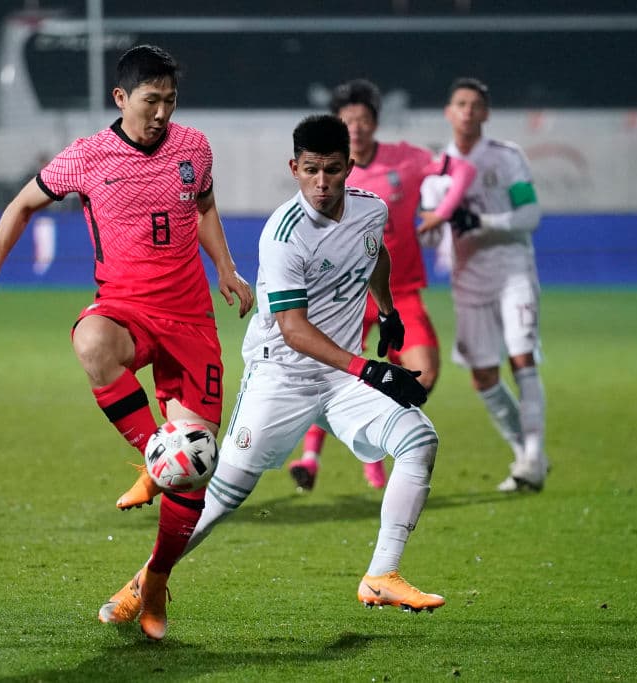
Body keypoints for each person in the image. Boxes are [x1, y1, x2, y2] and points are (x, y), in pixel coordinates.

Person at [98, 114, 445, 640]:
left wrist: (387, 309)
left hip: (340, 377)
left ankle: (381, 575)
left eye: (332, 170)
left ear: (349, 166)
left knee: (420, 438)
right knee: (221, 495)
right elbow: (293, 329)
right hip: (280, 376)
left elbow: (375, 253)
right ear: (294, 168)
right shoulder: (285, 234)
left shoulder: (371, 210)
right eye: (311, 171)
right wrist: (373, 370)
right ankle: (140, 583)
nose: (322, 183)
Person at [0, 44, 254, 638]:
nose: (162, 111)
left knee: (195, 471)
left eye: (170, 100)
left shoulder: (195, 147)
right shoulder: (88, 157)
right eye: (151, 100)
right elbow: (22, 203)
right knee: (91, 342)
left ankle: (157, 577)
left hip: (191, 321)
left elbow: (205, 204)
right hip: (127, 308)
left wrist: (226, 268)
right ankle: (151, 454)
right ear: (121, 98)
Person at [287, 79, 475, 491]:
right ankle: (316, 458)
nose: (355, 127)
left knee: (423, 374)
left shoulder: (405, 158)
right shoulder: (324, 178)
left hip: (399, 292)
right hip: (345, 298)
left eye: (363, 119)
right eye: (347, 120)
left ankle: (373, 448)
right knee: (330, 376)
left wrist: (440, 213)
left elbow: (460, 168)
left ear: (375, 122)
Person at [419, 77, 548, 493]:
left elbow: (529, 215)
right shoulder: (437, 173)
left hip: (512, 272)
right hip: (469, 281)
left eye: (476, 104)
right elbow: (431, 232)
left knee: (522, 356)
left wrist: (482, 222)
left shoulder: (506, 159)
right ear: (448, 112)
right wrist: (431, 230)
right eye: (461, 103)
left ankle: (533, 453)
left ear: (487, 113)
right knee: (483, 377)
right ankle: (526, 454)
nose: (468, 111)